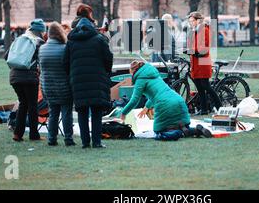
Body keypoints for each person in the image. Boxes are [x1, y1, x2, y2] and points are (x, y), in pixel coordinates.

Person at [120, 61, 211, 140]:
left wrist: (123, 113)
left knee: (159, 132)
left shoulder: (140, 80)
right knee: (183, 126)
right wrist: (146, 107)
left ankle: (178, 134)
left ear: (133, 71)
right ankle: (196, 130)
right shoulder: (154, 75)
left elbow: (134, 100)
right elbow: (157, 94)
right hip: (179, 100)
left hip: (165, 104)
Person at [64, 17, 113, 149]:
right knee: (97, 112)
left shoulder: (71, 42)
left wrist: (72, 75)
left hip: (78, 81)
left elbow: (65, 62)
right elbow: (108, 58)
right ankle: (96, 142)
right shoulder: (99, 40)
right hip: (97, 80)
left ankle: (85, 142)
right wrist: (106, 71)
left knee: (82, 112)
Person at [5, 19, 46, 142]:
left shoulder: (19, 39)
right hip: (29, 77)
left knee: (23, 104)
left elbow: (7, 56)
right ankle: (34, 134)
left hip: (14, 77)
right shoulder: (39, 42)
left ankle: (18, 134)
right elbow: (42, 60)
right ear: (40, 31)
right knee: (33, 106)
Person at [38, 22, 75, 146]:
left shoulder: (42, 49)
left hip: (48, 87)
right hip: (64, 86)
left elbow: (41, 70)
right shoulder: (65, 48)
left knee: (53, 113)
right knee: (66, 113)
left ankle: (51, 139)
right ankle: (68, 139)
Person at [187, 12, 222, 115]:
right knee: (199, 87)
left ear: (198, 20)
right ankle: (204, 109)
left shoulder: (205, 30)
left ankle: (219, 106)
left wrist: (193, 50)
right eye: (190, 21)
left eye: (192, 21)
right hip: (196, 61)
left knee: (206, 86)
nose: (191, 23)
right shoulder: (193, 31)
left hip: (203, 60)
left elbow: (205, 47)